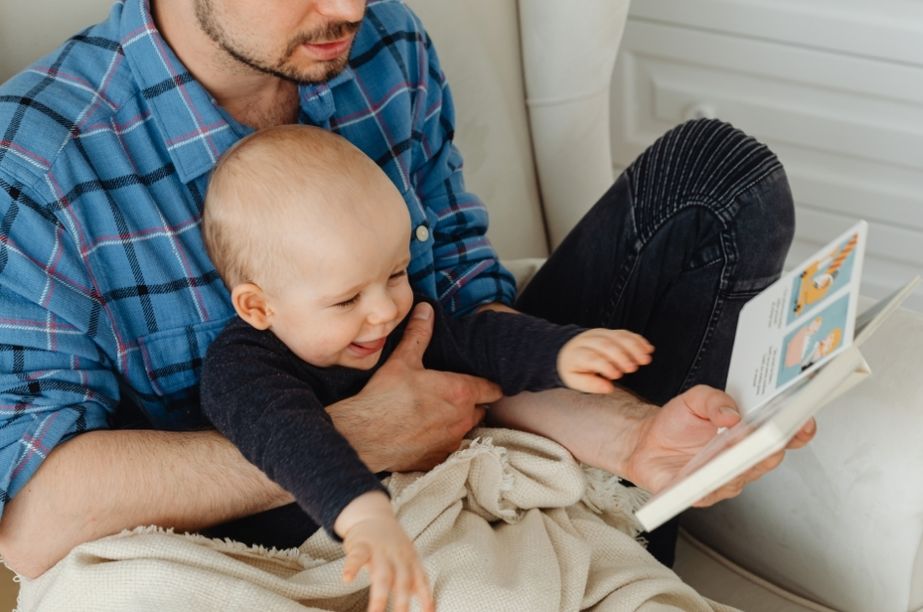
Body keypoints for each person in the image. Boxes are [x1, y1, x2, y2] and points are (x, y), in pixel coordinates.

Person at [0, 0, 814, 588]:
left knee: (715, 179)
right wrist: (362, 436)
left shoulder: (381, 43)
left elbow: (457, 314)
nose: (348, 8)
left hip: (458, 451)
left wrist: (629, 435)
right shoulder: (36, 164)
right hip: (252, 541)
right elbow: (34, 526)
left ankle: (622, 515)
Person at [199, 123, 656, 611]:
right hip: (312, 546)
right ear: (258, 308)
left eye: (396, 273)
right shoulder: (240, 370)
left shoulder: (396, 326)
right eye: (347, 299)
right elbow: (292, 439)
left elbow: (480, 343)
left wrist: (563, 352)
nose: (384, 310)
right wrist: (363, 512)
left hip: (416, 522)